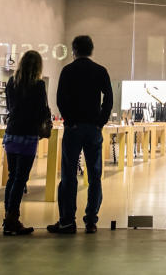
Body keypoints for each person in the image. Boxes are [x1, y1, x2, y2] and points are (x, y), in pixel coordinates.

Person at [48, 35, 113, 235]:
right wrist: (100, 122)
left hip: (74, 129)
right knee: (94, 175)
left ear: (74, 50)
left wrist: (70, 120)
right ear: (91, 50)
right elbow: (109, 98)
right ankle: (91, 220)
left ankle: (67, 220)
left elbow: (60, 99)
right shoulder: (100, 71)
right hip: (93, 129)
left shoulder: (68, 71)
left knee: (69, 174)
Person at [2, 50, 51, 236]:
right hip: (28, 135)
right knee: (21, 178)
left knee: (12, 176)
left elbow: (9, 107)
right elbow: (41, 111)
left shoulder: (11, 83)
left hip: (12, 133)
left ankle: (8, 217)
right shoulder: (38, 85)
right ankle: (12, 220)